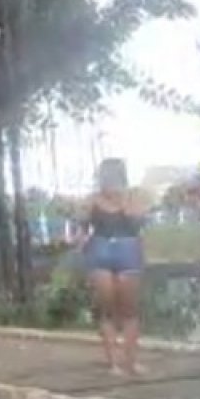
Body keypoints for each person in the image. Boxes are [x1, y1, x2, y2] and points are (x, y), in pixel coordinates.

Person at [77, 158, 149, 376]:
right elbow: (81, 227)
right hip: (100, 249)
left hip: (127, 248)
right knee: (107, 308)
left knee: (129, 308)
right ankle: (114, 363)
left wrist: (124, 201)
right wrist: (79, 243)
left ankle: (131, 361)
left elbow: (138, 224)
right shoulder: (92, 201)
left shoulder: (133, 198)